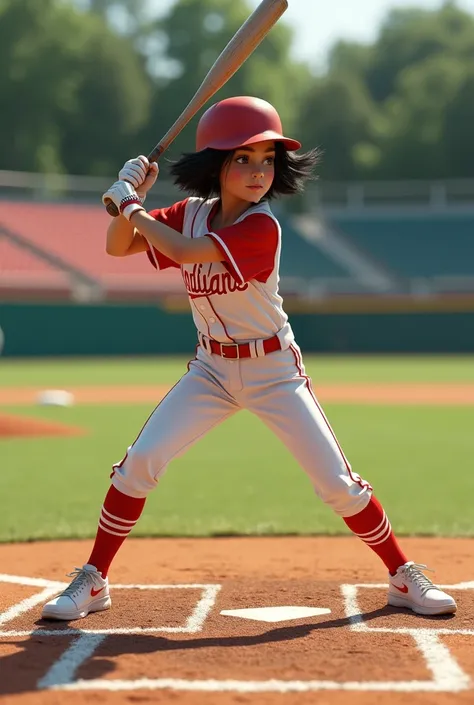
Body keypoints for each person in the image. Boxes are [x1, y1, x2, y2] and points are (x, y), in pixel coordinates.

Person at [42, 96, 455, 621]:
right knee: (138, 463)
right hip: (210, 371)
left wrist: (130, 205)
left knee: (337, 483)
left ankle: (402, 574)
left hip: (273, 371)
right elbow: (117, 246)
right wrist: (134, 195)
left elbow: (188, 252)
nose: (259, 171)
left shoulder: (263, 227)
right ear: (216, 163)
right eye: (243, 158)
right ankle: (94, 580)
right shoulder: (187, 214)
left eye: (267, 159)